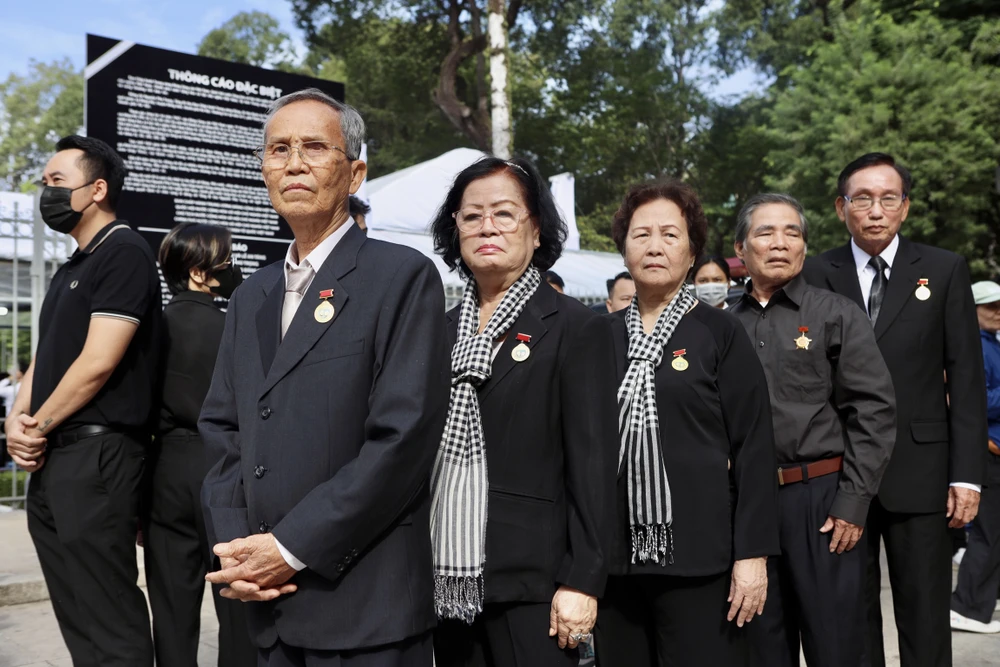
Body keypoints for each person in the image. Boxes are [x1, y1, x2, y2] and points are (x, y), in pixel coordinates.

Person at [200, 88, 450, 666]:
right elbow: (222, 429)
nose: (293, 163)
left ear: (355, 172)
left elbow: (401, 439)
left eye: (315, 147)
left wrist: (289, 548)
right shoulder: (250, 297)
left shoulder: (400, 278)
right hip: (263, 602)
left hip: (362, 609)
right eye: (278, 149)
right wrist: (238, 550)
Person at [428, 156, 617, 667]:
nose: (486, 226)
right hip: (448, 576)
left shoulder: (579, 328)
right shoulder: (436, 332)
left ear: (536, 231)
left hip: (539, 584)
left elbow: (595, 466)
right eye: (471, 216)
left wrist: (583, 579)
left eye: (504, 213)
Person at [804, 152, 987, 666]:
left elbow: (967, 379)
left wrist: (967, 476)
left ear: (905, 207)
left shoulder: (945, 269)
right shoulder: (817, 272)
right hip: (840, 474)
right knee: (850, 613)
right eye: (862, 199)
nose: (875, 210)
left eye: (888, 198)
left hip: (923, 470)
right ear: (842, 208)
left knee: (925, 612)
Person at [595, 179, 780, 666]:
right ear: (624, 247)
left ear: (693, 248)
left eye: (670, 235)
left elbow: (754, 448)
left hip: (702, 555)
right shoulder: (597, 336)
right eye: (641, 234)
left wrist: (752, 556)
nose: (655, 246)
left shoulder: (719, 333)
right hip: (614, 558)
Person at [5, 135, 160, 666]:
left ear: (97, 188)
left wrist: (37, 425)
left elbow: (97, 364)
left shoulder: (124, 252)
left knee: (108, 612)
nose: (45, 192)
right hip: (55, 458)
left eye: (55, 182)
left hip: (97, 457)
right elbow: (46, 356)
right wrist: (16, 423)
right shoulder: (72, 267)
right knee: (75, 610)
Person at [729, 193, 897, 666]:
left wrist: (853, 501)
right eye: (765, 232)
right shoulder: (720, 325)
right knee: (758, 643)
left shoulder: (835, 313)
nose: (780, 243)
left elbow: (874, 411)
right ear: (741, 248)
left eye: (793, 233)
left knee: (838, 644)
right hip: (747, 503)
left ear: (804, 246)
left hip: (822, 503)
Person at [144, 222, 255, 667]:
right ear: (197, 271)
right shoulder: (236, 329)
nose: (232, 268)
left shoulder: (151, 330)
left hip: (166, 470)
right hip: (227, 472)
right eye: (225, 260)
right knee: (239, 610)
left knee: (171, 613)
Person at [949, 281, 1000, 633]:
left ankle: (979, 600)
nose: (997, 311)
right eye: (989, 305)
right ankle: (967, 607)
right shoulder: (974, 347)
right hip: (987, 450)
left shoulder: (990, 344)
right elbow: (970, 400)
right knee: (988, 534)